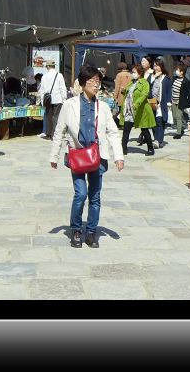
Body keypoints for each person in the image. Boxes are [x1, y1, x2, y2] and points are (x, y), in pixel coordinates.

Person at [49, 63, 125, 249]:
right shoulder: (70, 105)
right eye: (91, 81)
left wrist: (118, 156)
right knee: (81, 194)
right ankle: (76, 229)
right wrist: (54, 156)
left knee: (95, 196)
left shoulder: (104, 107)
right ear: (82, 84)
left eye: (98, 81)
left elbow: (113, 132)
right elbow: (60, 131)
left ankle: (91, 232)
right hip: (77, 155)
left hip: (97, 156)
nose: (95, 84)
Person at [38, 60, 66, 140]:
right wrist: (64, 99)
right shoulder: (59, 75)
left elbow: (42, 90)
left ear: (48, 66)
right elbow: (62, 88)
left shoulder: (44, 76)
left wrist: (43, 100)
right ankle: (55, 134)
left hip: (48, 100)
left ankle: (49, 133)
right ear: (54, 66)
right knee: (56, 117)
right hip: (58, 99)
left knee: (48, 117)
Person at [114, 64, 136, 152]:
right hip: (129, 98)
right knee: (126, 112)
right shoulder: (131, 75)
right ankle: (125, 124)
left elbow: (117, 87)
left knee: (120, 111)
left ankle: (122, 124)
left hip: (121, 97)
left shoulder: (119, 75)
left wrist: (115, 96)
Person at [171, 64, 190, 139]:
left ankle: (178, 133)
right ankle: (182, 127)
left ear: (182, 72)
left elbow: (188, 92)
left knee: (178, 116)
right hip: (173, 100)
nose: (176, 71)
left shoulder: (186, 81)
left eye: (178, 70)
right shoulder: (174, 78)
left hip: (180, 102)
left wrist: (189, 103)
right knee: (174, 117)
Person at [157, 60, 173, 144]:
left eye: (157, 65)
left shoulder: (166, 78)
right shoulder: (153, 77)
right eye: (154, 65)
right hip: (153, 103)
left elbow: (169, 91)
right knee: (156, 122)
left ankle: (159, 140)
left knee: (160, 121)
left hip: (162, 103)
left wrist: (168, 102)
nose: (155, 67)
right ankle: (157, 139)